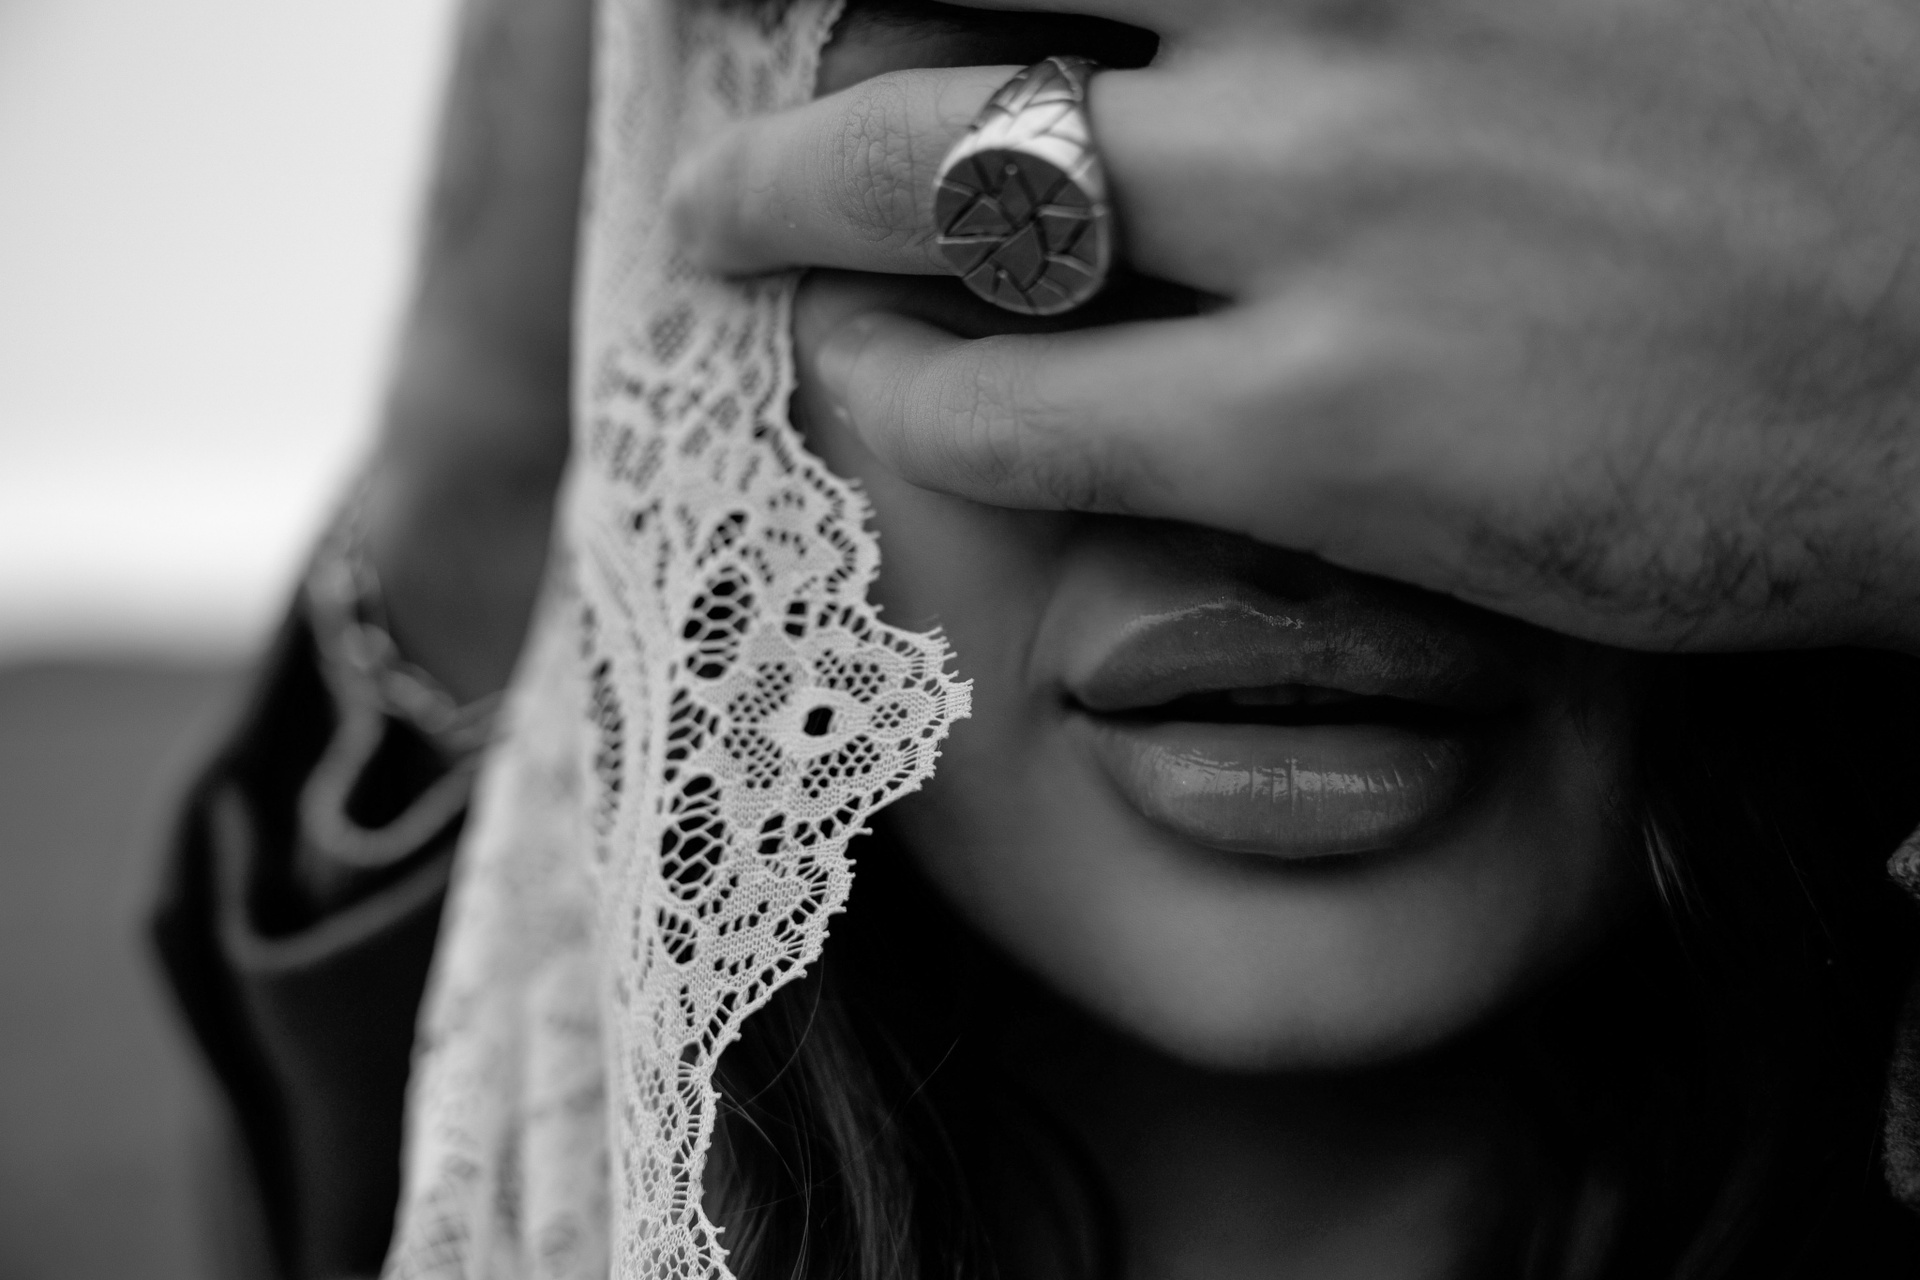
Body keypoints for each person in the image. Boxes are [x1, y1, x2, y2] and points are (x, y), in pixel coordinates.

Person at [152, 0, 1920, 1276]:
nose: (1273, 486)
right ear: (678, 378)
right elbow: (483, 446)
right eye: (1009, 215)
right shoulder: (505, 1103)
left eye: (1489, 229)